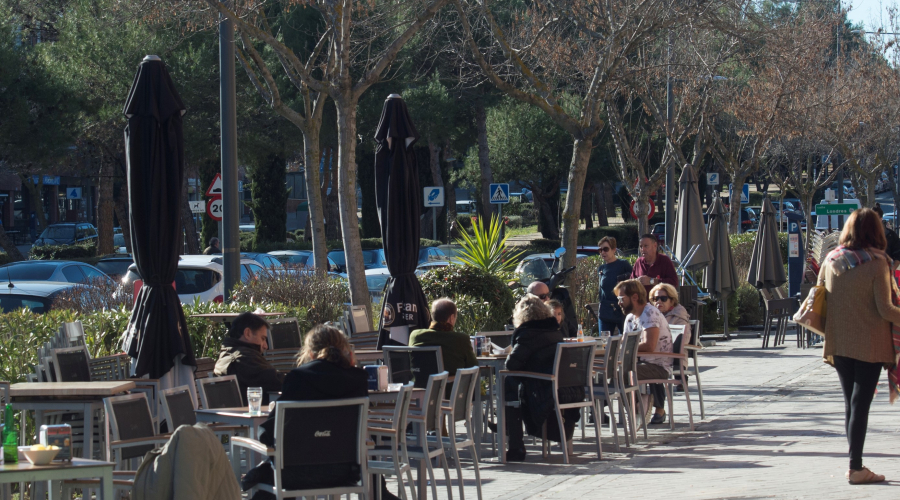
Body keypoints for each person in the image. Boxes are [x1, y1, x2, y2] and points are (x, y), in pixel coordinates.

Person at [817, 208, 900, 484]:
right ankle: (856, 468)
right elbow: (885, 309)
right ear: (876, 231)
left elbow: (819, 297)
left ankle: (855, 464)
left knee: (852, 403)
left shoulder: (832, 259)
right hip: (869, 344)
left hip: (839, 342)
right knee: (860, 403)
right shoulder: (877, 263)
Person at [245, 325, 372, 499]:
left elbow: (270, 432)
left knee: (273, 474)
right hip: (347, 472)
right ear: (345, 350)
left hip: (296, 473)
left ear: (311, 354)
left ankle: (264, 471)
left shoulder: (297, 378)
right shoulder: (358, 379)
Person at [503, 294, 581, 461]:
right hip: (564, 386)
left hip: (541, 389)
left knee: (509, 383)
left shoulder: (526, 333)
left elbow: (511, 365)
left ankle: (515, 444)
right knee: (512, 383)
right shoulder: (554, 331)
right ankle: (508, 430)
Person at [615, 279, 673, 425]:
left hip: (658, 365)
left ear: (634, 297)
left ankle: (639, 407)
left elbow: (649, 346)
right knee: (612, 373)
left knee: (622, 374)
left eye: (621, 298)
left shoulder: (650, 313)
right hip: (639, 363)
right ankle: (637, 408)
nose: (619, 303)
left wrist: (623, 349)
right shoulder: (629, 318)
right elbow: (625, 342)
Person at [213, 312, 284, 405]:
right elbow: (275, 381)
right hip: (253, 415)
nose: (266, 346)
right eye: (263, 339)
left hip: (238, 416)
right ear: (247, 333)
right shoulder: (243, 358)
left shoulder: (230, 353)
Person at [409, 298, 478, 377]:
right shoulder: (461, 339)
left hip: (420, 387)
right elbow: (473, 366)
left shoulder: (415, 335)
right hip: (450, 388)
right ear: (451, 318)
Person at [597, 236, 632, 335]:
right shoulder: (601, 268)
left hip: (622, 308)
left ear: (613, 250)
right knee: (604, 342)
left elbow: (634, 281)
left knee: (625, 339)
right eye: (600, 250)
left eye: (605, 249)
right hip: (605, 310)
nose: (603, 252)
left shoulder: (623, 264)